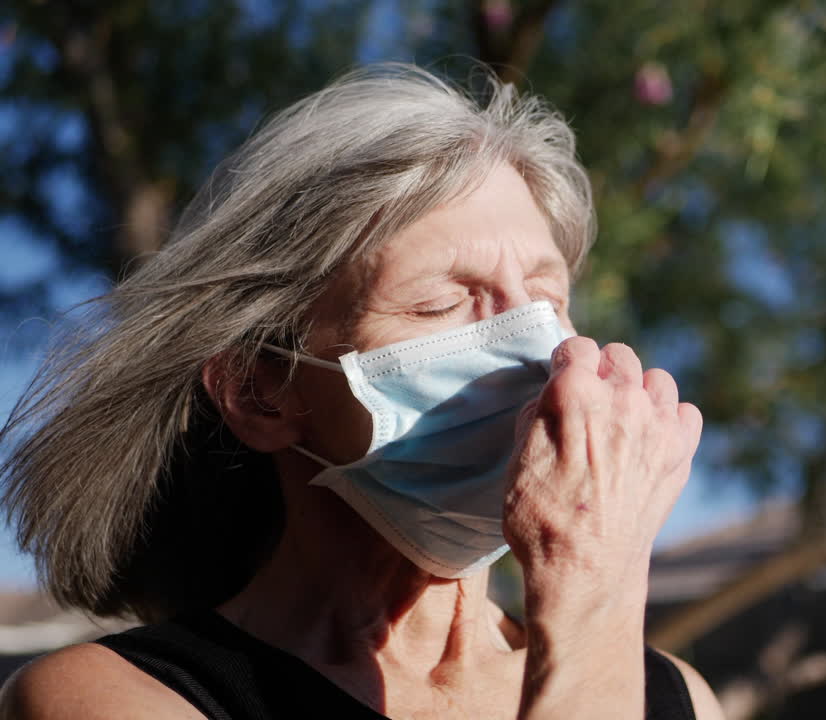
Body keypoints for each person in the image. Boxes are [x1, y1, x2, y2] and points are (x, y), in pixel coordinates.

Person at [0, 63, 722, 720]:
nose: (541, 349)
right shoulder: (117, 697)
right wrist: (594, 588)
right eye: (443, 305)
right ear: (261, 393)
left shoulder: (676, 696)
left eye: (545, 298)